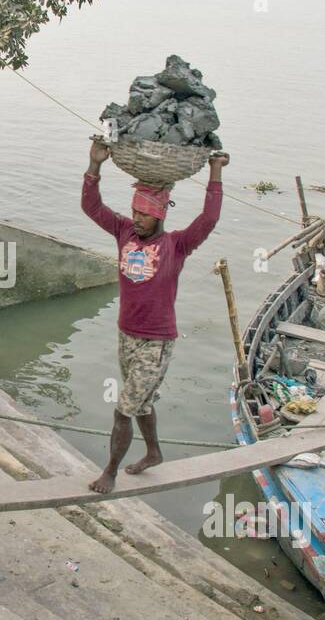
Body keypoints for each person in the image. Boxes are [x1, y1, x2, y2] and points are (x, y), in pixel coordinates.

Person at [82, 139, 227, 494]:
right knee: (142, 401)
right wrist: (95, 165)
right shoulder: (124, 233)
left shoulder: (176, 245)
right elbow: (91, 206)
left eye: (144, 214)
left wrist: (215, 172)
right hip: (126, 334)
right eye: (135, 213)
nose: (137, 219)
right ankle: (154, 452)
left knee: (124, 409)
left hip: (157, 340)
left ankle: (110, 472)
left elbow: (208, 219)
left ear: (160, 214)